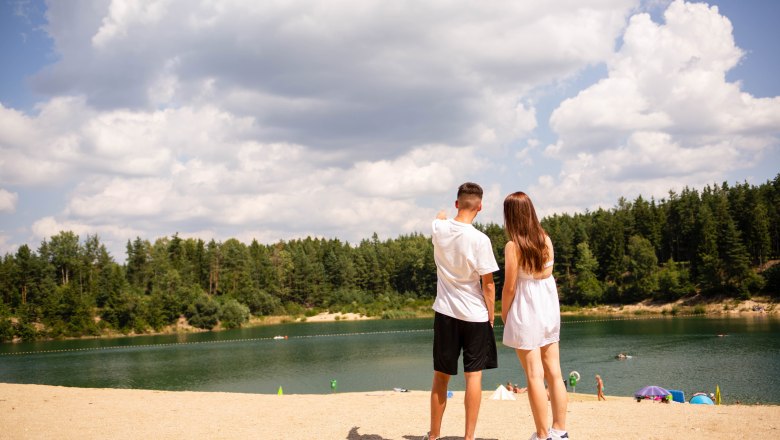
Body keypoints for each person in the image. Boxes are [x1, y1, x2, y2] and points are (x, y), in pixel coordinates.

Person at [426, 182, 499, 440]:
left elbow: (438, 218)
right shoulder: (481, 240)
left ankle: (434, 435)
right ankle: (469, 438)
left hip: (445, 313)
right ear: (480, 206)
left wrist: (443, 215)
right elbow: (487, 284)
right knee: (473, 377)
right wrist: (491, 313)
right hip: (475, 316)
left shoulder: (439, 229)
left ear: (458, 203)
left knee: (440, 376)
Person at [501, 191, 568, 440]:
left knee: (534, 374)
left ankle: (542, 435)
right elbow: (545, 276)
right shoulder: (546, 239)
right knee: (555, 372)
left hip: (526, 308)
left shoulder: (513, 246)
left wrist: (504, 314)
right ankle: (560, 430)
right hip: (548, 306)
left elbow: (509, 287)